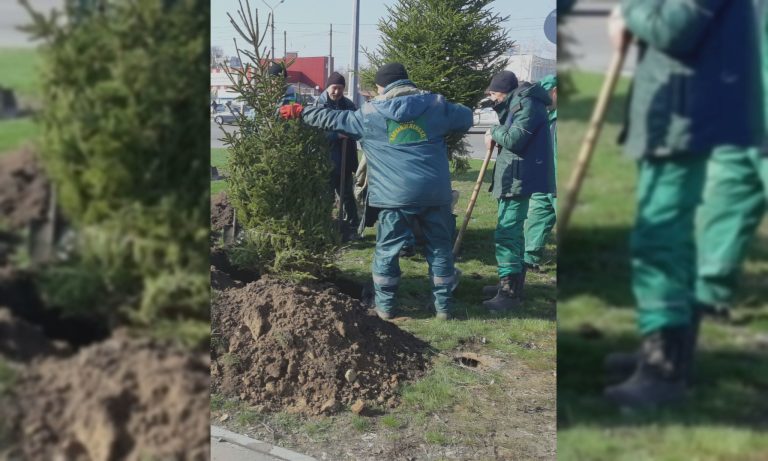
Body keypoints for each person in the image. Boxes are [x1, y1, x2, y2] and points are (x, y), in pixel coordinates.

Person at [603, 0, 763, 408]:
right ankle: (669, 351)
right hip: (700, 104)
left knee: (663, 237)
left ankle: (664, 367)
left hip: (692, 109)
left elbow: (676, 27)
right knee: (685, 232)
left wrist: (628, 13)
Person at [296, 62, 472, 320]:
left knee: (388, 251)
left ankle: (386, 308)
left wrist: (301, 112)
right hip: (435, 194)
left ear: (382, 87)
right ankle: (443, 308)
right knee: (439, 249)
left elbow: (331, 118)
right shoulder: (436, 106)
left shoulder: (369, 114)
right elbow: (466, 116)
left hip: (393, 197)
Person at [481, 71, 555, 313]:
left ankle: (509, 293)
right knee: (512, 231)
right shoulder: (517, 103)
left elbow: (514, 139)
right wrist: (499, 111)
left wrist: (494, 131)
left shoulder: (527, 104)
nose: (492, 97)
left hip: (519, 176)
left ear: (503, 90)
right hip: (514, 174)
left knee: (507, 233)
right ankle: (510, 283)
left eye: (493, 93)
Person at [315, 72, 360, 237]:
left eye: (340, 89)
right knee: (325, 196)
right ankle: (324, 225)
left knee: (347, 194)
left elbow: (358, 125)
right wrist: (336, 135)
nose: (337, 92)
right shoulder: (318, 105)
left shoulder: (348, 105)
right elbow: (314, 133)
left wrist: (350, 133)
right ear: (328, 87)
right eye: (334, 88)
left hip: (345, 159)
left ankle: (352, 226)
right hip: (325, 159)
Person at [523, 74, 558, 272]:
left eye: (546, 96)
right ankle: (529, 258)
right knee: (536, 217)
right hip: (544, 180)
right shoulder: (547, 117)